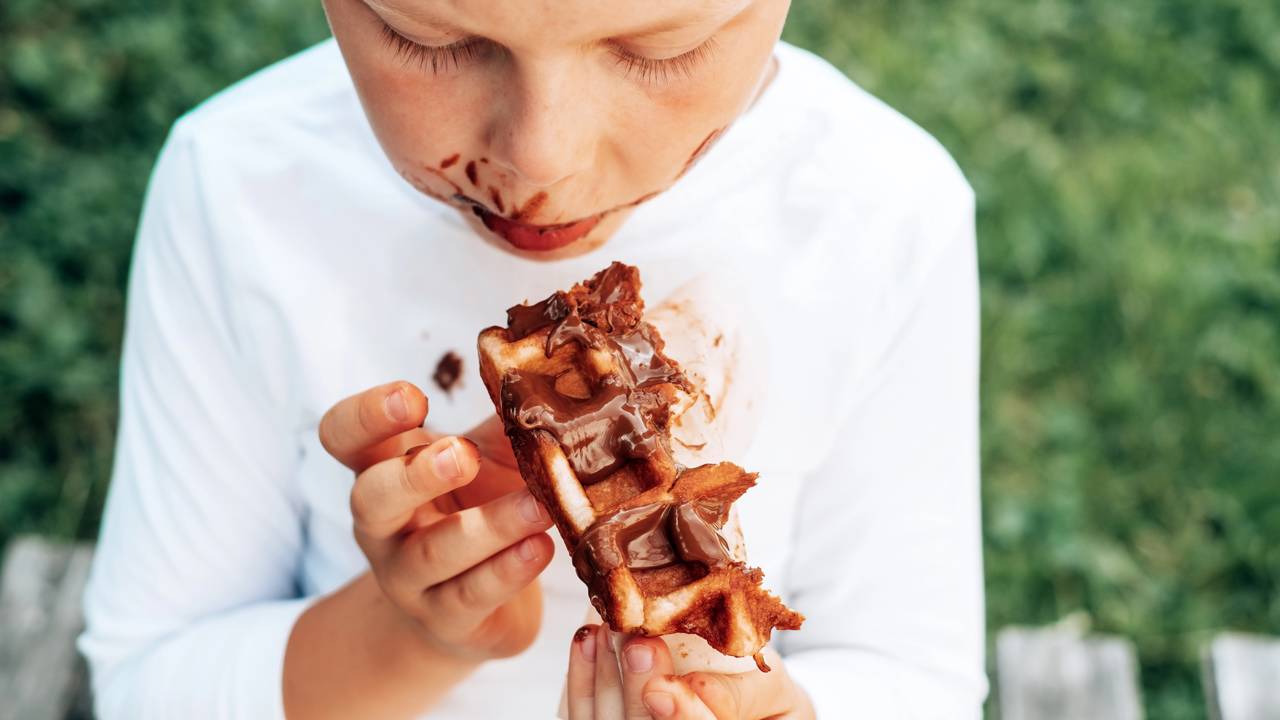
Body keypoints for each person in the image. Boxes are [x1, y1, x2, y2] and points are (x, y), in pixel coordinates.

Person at [78, 0, 987, 717]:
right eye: (427, 36)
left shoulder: (884, 214)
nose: (542, 157)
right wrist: (415, 637)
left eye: (660, 48)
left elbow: (914, 677)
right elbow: (147, 681)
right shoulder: (240, 185)